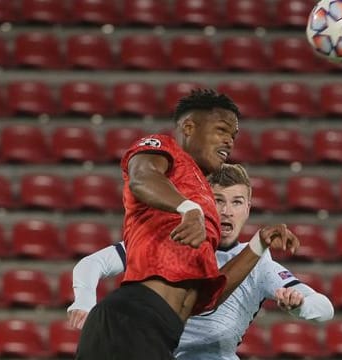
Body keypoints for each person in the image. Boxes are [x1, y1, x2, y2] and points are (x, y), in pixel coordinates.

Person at [74, 89, 299, 360]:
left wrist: (259, 243)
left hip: (161, 332)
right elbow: (142, 178)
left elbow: (207, 299)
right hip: (131, 320)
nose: (229, 141)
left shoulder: (203, 196)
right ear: (189, 127)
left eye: (234, 136)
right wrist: (188, 209)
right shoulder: (162, 149)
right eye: (221, 130)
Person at [69, 163, 334, 360]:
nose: (227, 211)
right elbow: (92, 264)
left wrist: (299, 306)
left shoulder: (259, 263)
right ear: (204, 203)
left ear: (248, 208)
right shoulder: (171, 241)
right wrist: (84, 300)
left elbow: (324, 308)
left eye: (237, 202)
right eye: (218, 200)